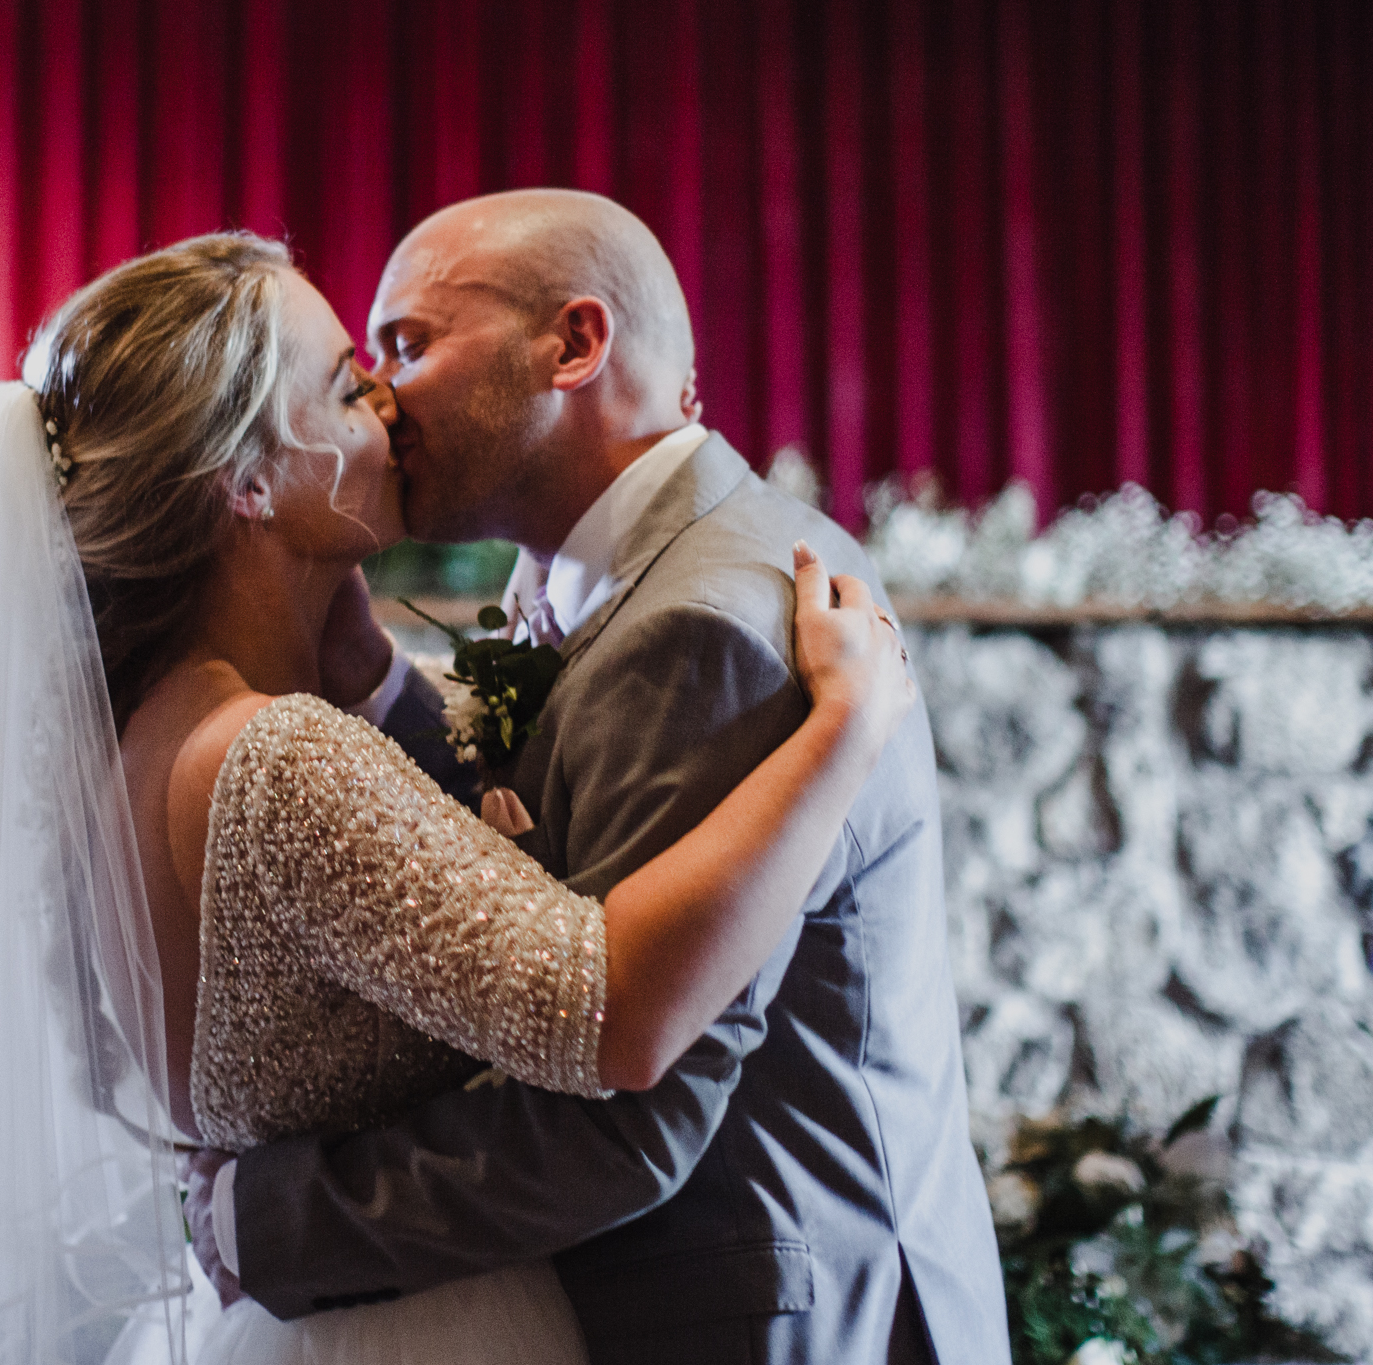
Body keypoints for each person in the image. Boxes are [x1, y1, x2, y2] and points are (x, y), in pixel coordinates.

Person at [0, 230, 910, 1365]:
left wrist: (366, 669)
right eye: (351, 384)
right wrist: (840, 736)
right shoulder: (279, 759)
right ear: (247, 482)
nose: (390, 409)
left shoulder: (153, 730)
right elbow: (607, 1013)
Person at [184, 191, 1012, 1365]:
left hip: (754, 1311)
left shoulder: (705, 626)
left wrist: (263, 1219)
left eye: (409, 344)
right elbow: (533, 863)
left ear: (572, 345)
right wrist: (372, 681)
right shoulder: (649, 566)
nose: (378, 396)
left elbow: (626, 1111)